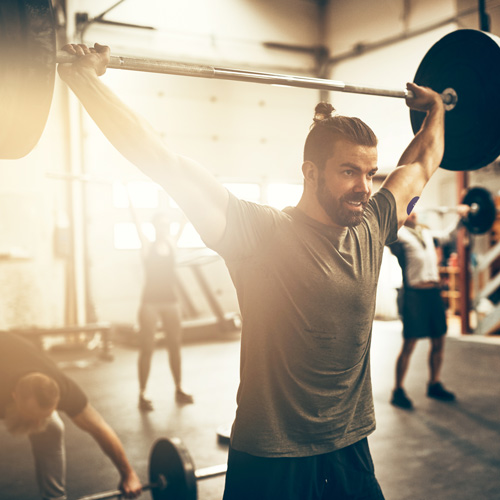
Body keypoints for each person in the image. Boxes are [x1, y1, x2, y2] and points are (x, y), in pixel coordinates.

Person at [57, 42, 445, 500]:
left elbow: (421, 163)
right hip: (271, 457)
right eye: (348, 172)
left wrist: (436, 107)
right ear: (311, 172)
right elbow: (161, 161)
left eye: (370, 173)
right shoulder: (259, 232)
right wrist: (83, 79)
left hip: (349, 448)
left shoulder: (372, 223)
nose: (364, 187)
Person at [0, 332, 142, 500]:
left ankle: (55, 497)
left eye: (43, 415)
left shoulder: (64, 388)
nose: (38, 423)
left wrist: (129, 474)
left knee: (51, 428)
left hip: (18, 351)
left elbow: (99, 427)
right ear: (14, 396)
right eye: (32, 415)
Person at [388, 209, 466, 410]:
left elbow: (448, 236)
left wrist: (461, 216)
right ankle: (398, 390)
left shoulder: (427, 233)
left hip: (434, 293)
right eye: (408, 210)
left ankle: (434, 383)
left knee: (439, 339)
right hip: (414, 294)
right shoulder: (398, 236)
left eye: (414, 210)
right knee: (409, 344)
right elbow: (384, 236)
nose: (413, 213)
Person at [128, 204, 193, 410]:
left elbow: (185, 218)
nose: (164, 228)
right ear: (155, 226)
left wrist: (188, 195)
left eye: (167, 225)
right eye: (161, 224)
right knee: (147, 347)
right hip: (150, 303)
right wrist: (128, 197)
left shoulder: (173, 244)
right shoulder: (147, 246)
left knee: (175, 346)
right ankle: (142, 393)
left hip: (171, 302)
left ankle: (179, 388)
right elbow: (136, 221)